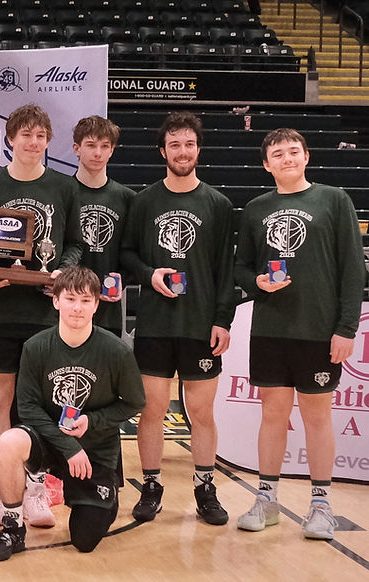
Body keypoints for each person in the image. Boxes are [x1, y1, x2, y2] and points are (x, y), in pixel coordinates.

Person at [233, 129, 363, 540]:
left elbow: (352, 269)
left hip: (319, 332)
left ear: (306, 157)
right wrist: (258, 282)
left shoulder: (334, 199)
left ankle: (321, 506)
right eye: (278, 153)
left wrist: (345, 327)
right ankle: (266, 499)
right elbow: (240, 269)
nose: (287, 158)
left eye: (293, 151)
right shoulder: (256, 209)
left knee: (317, 417)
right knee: (273, 414)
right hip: (271, 330)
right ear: (266, 164)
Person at [0, 104, 84, 527]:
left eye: (40, 135)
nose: (33, 142)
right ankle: (1, 490)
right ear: (10, 139)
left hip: (44, 312)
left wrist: (61, 272)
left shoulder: (63, 186)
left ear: (48, 141)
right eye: (25, 135)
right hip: (0, 308)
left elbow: (74, 242)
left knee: (38, 403)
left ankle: (36, 486)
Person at [121, 111, 236, 526]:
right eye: (174, 144)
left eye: (189, 143)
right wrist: (149, 274)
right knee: (151, 411)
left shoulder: (219, 205)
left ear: (198, 149)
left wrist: (223, 320)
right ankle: (151, 485)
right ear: (162, 151)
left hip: (200, 325)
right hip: (154, 324)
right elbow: (127, 254)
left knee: (201, 413)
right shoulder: (145, 201)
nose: (182, 151)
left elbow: (226, 269)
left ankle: (206, 488)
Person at [0, 266, 145, 561]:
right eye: (70, 299)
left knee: (84, 540)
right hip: (50, 441)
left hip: (94, 449)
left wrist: (92, 421)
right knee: (8, 442)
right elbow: (29, 408)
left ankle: (104, 497)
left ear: (97, 304)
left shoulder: (116, 351)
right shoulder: (36, 346)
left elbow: (134, 403)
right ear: (55, 300)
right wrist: (69, 447)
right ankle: (13, 527)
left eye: (85, 301)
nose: (77, 308)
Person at [72, 115, 135, 337]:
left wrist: (123, 279)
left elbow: (132, 253)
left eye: (104, 146)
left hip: (108, 310)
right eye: (90, 145)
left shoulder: (127, 198)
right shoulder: (61, 191)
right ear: (76, 148)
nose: (97, 153)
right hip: (68, 307)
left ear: (112, 150)